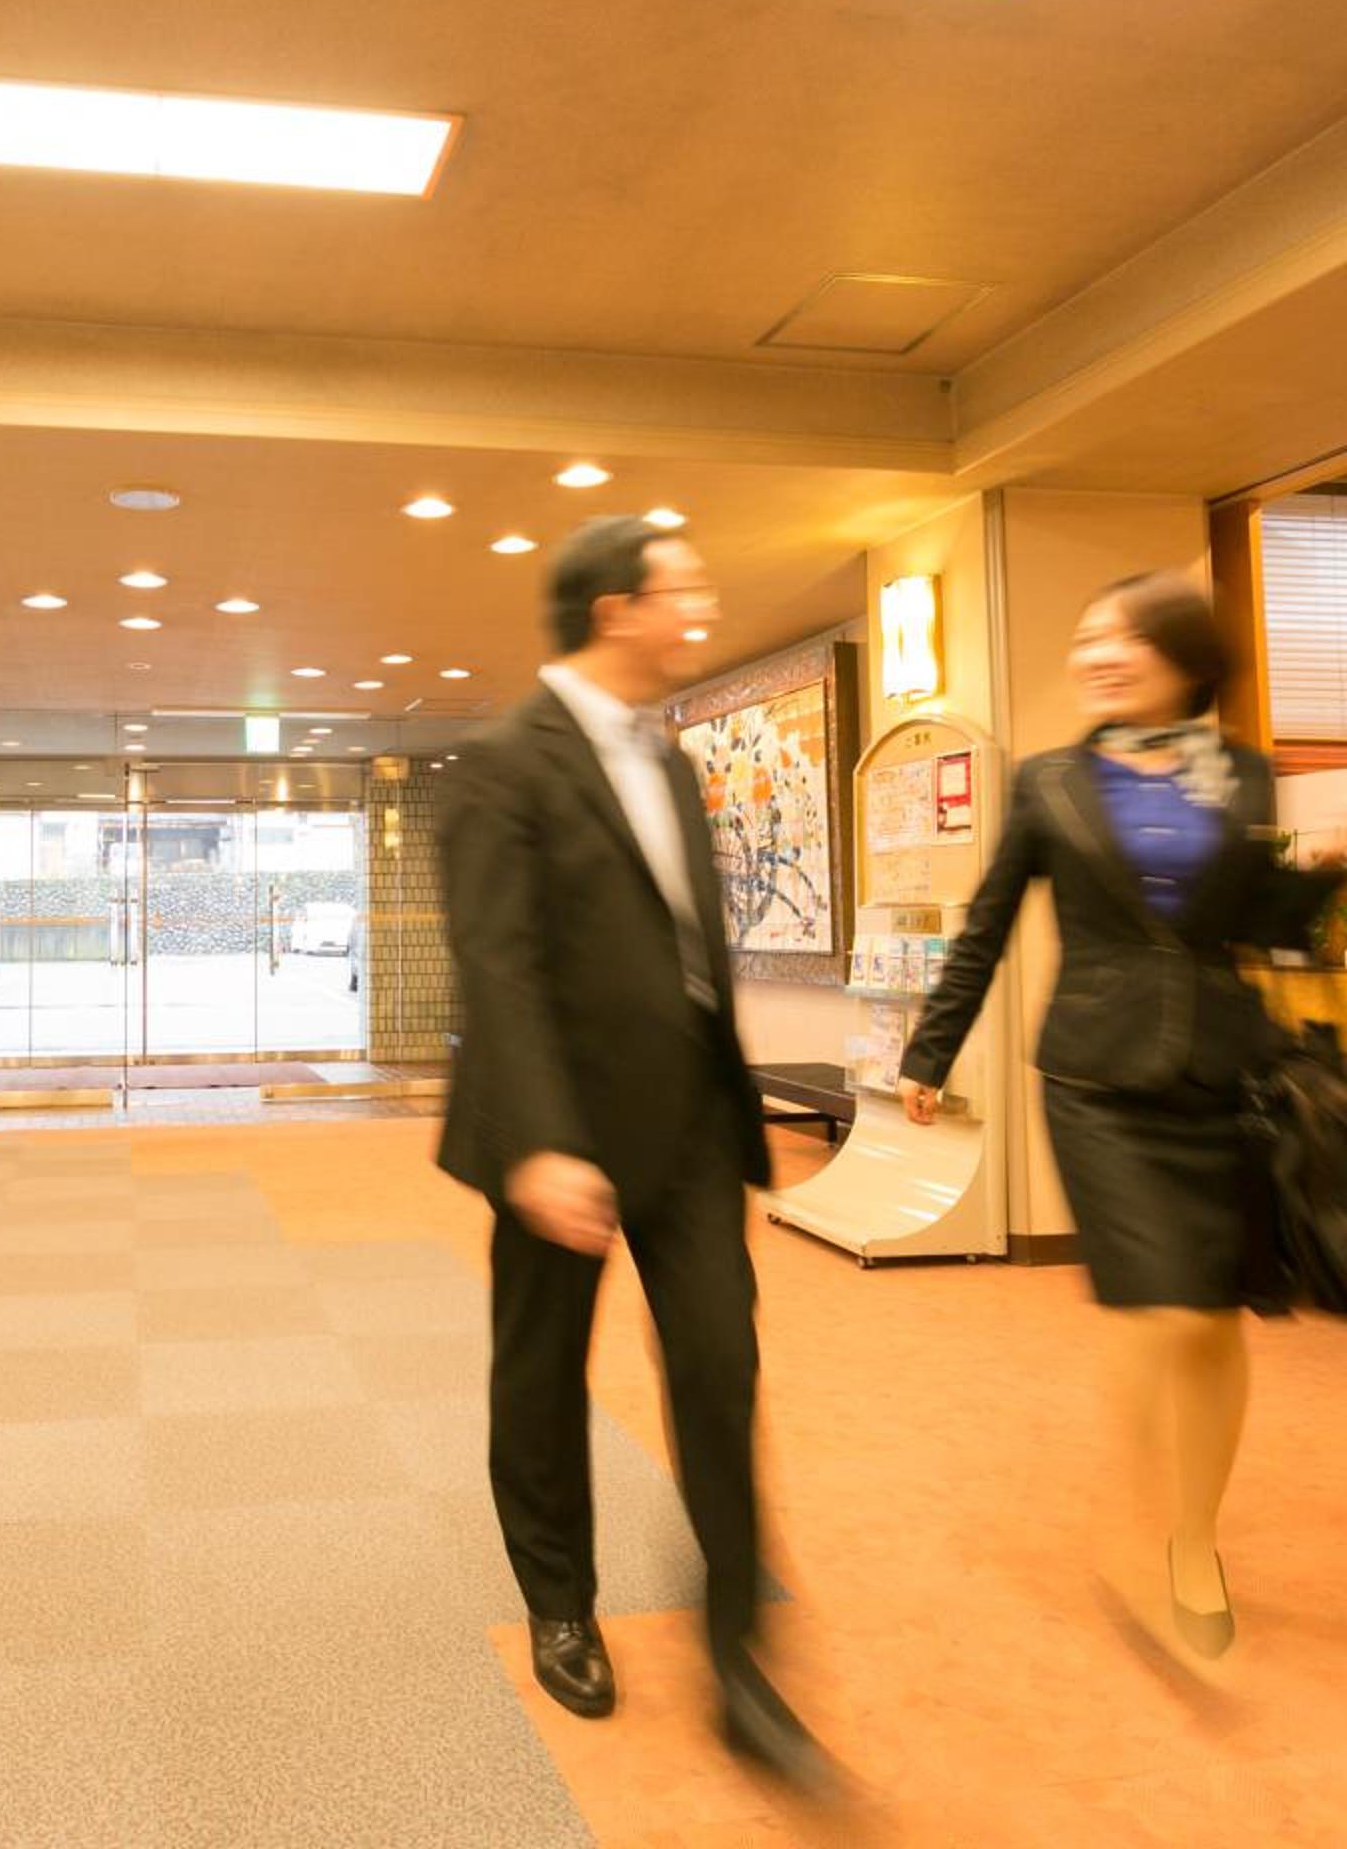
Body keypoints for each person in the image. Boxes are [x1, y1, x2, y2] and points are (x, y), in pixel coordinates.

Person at [437, 515, 836, 1791]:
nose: (700, 610)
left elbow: (687, 956)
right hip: (560, 1134)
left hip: (689, 1130)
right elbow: (497, 965)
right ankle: (560, 1600)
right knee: (543, 1374)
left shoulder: (665, 760)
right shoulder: (506, 760)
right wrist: (540, 1142)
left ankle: (739, 1656)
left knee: (719, 1366)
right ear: (617, 609)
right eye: (684, 591)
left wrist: (733, 1111)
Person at [896, 572, 1347, 1665]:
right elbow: (987, 923)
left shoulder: (1242, 773)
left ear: (1184, 660)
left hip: (1222, 1072)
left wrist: (1326, 874)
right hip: (1096, 1077)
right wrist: (930, 1050)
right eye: (1088, 636)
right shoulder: (1050, 780)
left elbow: (1265, 930)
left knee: (1214, 1317)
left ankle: (1193, 1539)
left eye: (1125, 637)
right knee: (1161, 1310)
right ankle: (1133, 1515)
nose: (1098, 655)